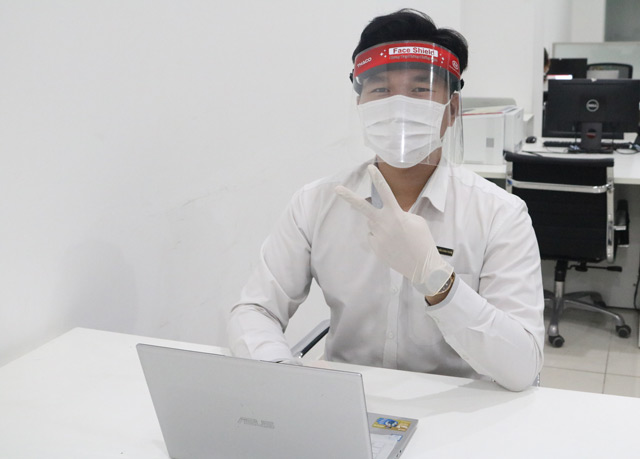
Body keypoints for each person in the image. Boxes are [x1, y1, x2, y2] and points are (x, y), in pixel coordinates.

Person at [227, 9, 544, 392]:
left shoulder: (499, 215)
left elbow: (522, 367)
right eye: (380, 89)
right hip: (344, 399)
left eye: (419, 89)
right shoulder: (315, 204)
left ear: (452, 110)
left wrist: (439, 283)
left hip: (456, 405)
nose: (398, 106)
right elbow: (256, 309)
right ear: (361, 105)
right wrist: (279, 373)